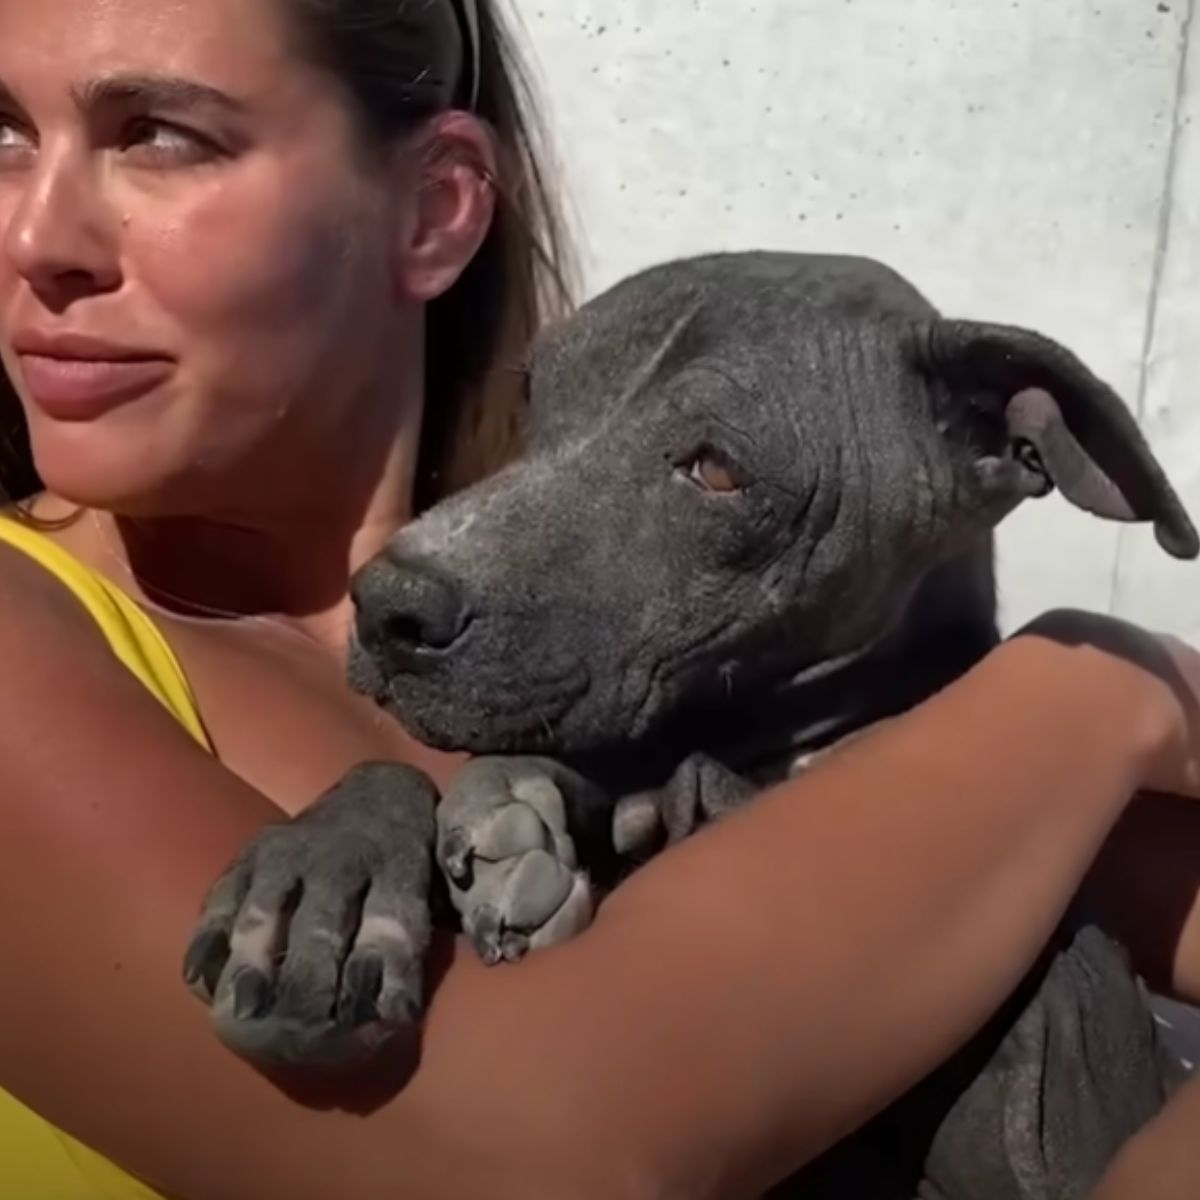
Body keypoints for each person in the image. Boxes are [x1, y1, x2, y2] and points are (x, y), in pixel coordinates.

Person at [0, 0, 1198, 1197]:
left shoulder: (665, 664)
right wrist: (1095, 685)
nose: (36, 235)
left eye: (161, 134)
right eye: (3, 133)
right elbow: (528, 1164)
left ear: (436, 208)